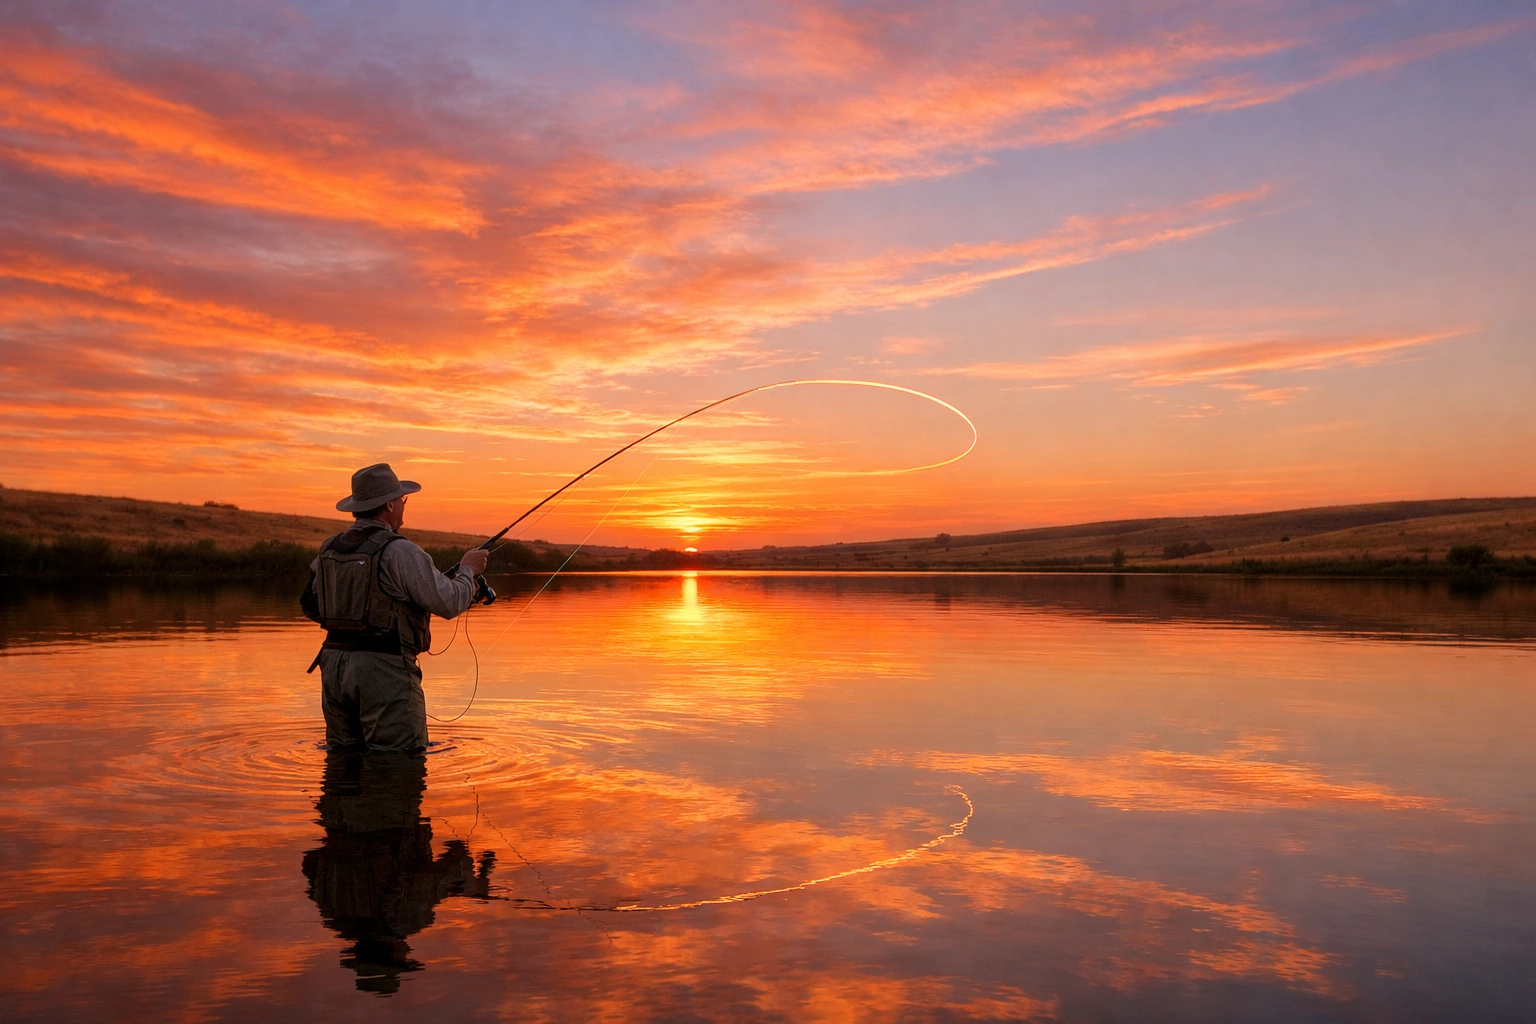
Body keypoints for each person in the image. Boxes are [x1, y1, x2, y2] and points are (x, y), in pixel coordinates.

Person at [301, 463, 489, 752]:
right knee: (401, 760)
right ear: (389, 505)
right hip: (383, 669)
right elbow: (449, 602)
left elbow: (311, 606)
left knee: (343, 760)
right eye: (402, 500)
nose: (403, 506)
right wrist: (467, 571)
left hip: (334, 668)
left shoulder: (329, 549)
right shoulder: (401, 551)